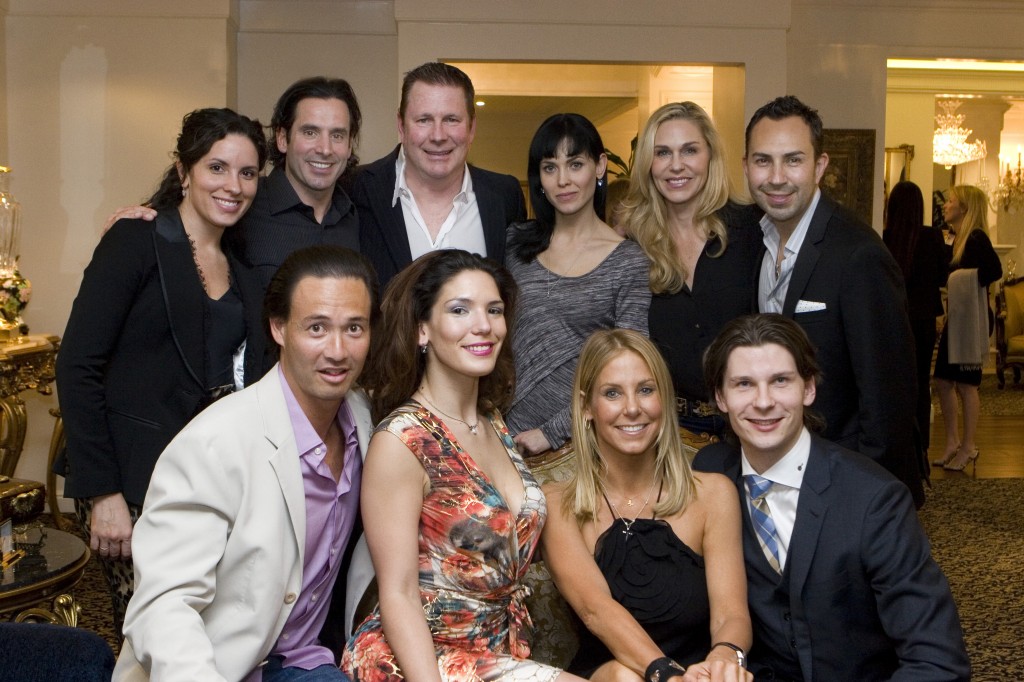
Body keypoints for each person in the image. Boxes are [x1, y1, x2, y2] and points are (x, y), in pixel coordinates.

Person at [112, 245, 378, 682]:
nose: (337, 350)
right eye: (316, 327)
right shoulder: (214, 443)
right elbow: (163, 606)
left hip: (312, 660)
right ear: (278, 328)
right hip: (219, 668)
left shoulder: (365, 423)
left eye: (354, 328)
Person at [55, 108, 268, 637]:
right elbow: (77, 365)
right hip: (130, 485)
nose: (233, 186)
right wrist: (102, 495)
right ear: (183, 170)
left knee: (204, 632)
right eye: (217, 168)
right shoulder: (135, 240)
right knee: (151, 634)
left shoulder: (242, 270)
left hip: (207, 485)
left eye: (247, 174)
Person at [343, 250, 581, 682]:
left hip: (493, 648)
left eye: (494, 310)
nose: (483, 325)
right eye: (459, 310)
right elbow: (397, 593)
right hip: (417, 659)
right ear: (422, 329)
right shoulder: (403, 440)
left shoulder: (493, 422)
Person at [694, 314, 970, 682]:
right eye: (744, 384)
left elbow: (938, 662)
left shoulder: (874, 499)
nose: (763, 402)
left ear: (808, 388)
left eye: (780, 381)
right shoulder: (708, 476)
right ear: (720, 397)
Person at [542, 329, 752, 682]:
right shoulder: (556, 503)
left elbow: (731, 613)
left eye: (645, 389)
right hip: (610, 674)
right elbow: (596, 610)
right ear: (585, 406)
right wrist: (666, 674)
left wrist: (724, 657)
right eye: (612, 393)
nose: (633, 408)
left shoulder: (714, 494)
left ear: (663, 398)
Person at [743, 95, 924, 507]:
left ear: (820, 166)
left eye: (793, 160)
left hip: (844, 481)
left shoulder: (859, 254)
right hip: (778, 476)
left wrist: (862, 501)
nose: (776, 177)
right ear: (746, 166)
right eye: (762, 161)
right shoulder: (755, 243)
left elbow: (888, 403)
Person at [107, 76, 362, 294]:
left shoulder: (357, 211)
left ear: (350, 145)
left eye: (338, 135)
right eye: (310, 132)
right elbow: (182, 219)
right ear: (283, 139)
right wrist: (137, 224)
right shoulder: (240, 202)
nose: (325, 149)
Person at [505, 113, 651, 456]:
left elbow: (629, 367)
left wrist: (553, 432)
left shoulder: (628, 261)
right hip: (505, 434)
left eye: (575, 164)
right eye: (550, 167)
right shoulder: (516, 243)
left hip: (587, 441)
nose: (563, 180)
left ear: (599, 166)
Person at [621, 102, 759, 440]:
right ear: (648, 165)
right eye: (663, 153)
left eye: (690, 150)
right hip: (667, 430)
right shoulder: (632, 245)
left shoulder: (751, 230)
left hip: (750, 421)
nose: (676, 165)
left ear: (710, 156)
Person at [352, 62, 526, 288]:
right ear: (401, 126)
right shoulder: (355, 188)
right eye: (424, 120)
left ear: (472, 128)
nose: (438, 136)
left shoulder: (505, 196)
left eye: (451, 120)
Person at [932, 184, 1002, 471]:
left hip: (971, 321)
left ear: (965, 208)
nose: (946, 205)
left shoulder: (976, 238)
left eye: (951, 201)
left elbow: (994, 271)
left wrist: (960, 276)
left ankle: (969, 446)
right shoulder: (958, 238)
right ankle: (952, 442)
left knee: (967, 384)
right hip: (958, 318)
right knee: (943, 381)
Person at [883, 181, 949, 461]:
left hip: (896, 318)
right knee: (922, 380)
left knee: (896, 380)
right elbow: (943, 276)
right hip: (924, 320)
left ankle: (899, 441)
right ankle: (921, 446)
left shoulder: (886, 238)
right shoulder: (933, 237)